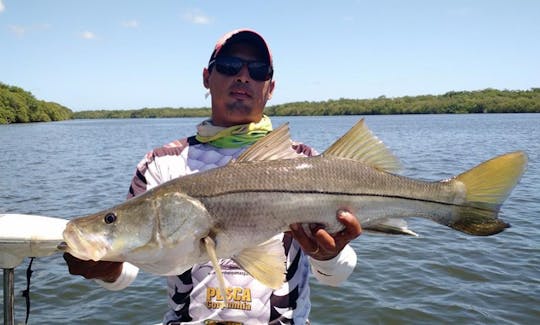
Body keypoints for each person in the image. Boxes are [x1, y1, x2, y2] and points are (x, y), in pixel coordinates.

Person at [64, 28, 362, 324]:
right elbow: (127, 269)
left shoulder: (305, 162)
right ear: (207, 77)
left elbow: (337, 276)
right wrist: (105, 268)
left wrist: (329, 256)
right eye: (230, 65)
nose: (244, 76)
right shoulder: (160, 165)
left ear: (270, 88)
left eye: (258, 70)